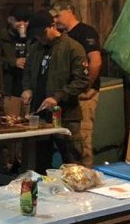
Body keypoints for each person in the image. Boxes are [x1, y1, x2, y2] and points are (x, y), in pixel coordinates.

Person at [21, 11, 90, 173]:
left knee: (72, 160)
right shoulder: (35, 49)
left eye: (42, 34)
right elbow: (27, 73)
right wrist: (27, 89)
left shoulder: (73, 48)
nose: (40, 38)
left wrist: (57, 97)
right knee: (38, 162)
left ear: (52, 26)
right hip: (39, 114)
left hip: (66, 115)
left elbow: (81, 80)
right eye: (36, 36)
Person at [50, 0, 103, 167]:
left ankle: (85, 174)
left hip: (83, 94)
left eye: (58, 16)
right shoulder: (61, 36)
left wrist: (85, 87)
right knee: (66, 140)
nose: (56, 20)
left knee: (82, 138)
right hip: (67, 95)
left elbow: (96, 62)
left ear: (69, 11)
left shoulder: (85, 32)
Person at [0, 9, 31, 97]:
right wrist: (14, 62)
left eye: (25, 21)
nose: (22, 24)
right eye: (18, 20)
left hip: (27, 88)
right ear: (9, 20)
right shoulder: (0, 38)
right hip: (8, 87)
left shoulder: (33, 38)